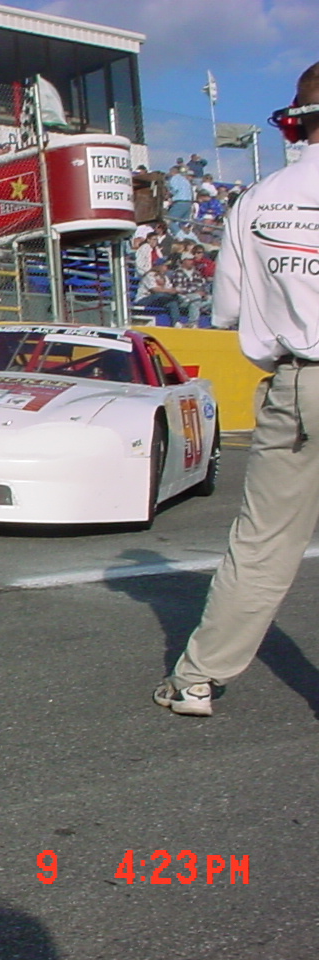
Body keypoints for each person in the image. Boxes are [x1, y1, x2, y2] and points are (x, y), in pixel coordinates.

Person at [154, 62, 319, 717]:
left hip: (296, 382)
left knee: (262, 543)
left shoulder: (257, 200)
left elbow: (227, 311)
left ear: (294, 124)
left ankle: (198, 679)